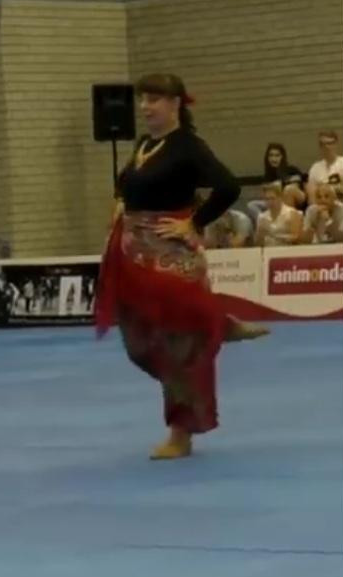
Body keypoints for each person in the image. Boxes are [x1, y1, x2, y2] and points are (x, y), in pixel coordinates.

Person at [96, 73, 267, 461]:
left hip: (170, 254)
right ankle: (216, 322)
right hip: (132, 252)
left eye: (154, 99)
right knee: (139, 340)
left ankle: (181, 431)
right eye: (142, 100)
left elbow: (228, 187)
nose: (145, 107)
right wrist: (120, 205)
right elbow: (127, 186)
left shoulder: (189, 146)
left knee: (178, 347)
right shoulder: (143, 144)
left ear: (176, 104)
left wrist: (196, 221)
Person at [248, 143, 306, 219]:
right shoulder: (268, 175)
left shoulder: (291, 170)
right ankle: (266, 224)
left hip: (296, 200)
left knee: (288, 189)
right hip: (275, 202)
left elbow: (295, 188)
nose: (273, 158)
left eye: (277, 155)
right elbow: (266, 195)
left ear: (282, 157)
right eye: (271, 155)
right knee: (252, 205)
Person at [254, 181, 303, 246]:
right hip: (268, 250)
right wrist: (260, 234)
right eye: (267, 199)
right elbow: (258, 244)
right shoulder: (262, 217)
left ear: (280, 198)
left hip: (287, 251)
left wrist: (274, 236)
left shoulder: (291, 213)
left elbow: (297, 238)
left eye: (272, 198)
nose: (270, 202)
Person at [306, 130, 343, 203]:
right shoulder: (315, 167)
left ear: (336, 144)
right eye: (323, 144)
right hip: (321, 206)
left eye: (329, 143)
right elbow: (312, 194)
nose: (326, 147)